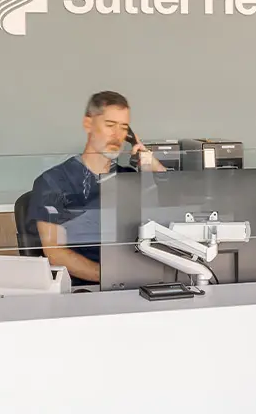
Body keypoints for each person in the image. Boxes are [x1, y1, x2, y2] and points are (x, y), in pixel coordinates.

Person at [31, 90, 165, 286]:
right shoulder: (53, 182)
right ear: (88, 124)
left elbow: (171, 219)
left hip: (135, 282)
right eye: (110, 125)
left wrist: (153, 166)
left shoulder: (129, 179)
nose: (117, 135)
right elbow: (55, 254)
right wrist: (110, 276)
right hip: (84, 289)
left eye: (124, 128)